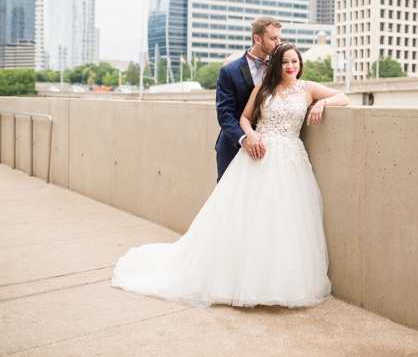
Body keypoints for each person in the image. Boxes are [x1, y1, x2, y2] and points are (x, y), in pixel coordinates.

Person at [112, 43, 349, 308]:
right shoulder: (263, 88)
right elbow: (245, 118)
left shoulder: (308, 88)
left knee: (284, 221)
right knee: (245, 219)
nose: (290, 67)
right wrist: (251, 134)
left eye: (294, 61)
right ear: (276, 65)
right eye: (284, 62)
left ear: (300, 63)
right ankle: (239, 281)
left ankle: (278, 283)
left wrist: (321, 104)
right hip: (258, 155)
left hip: (291, 161)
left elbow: (343, 96)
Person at [215, 16, 281, 181]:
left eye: (279, 37)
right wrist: (243, 139)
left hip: (270, 148)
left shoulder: (282, 67)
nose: (278, 43)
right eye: (273, 38)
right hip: (233, 146)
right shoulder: (229, 71)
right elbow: (224, 114)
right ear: (257, 39)